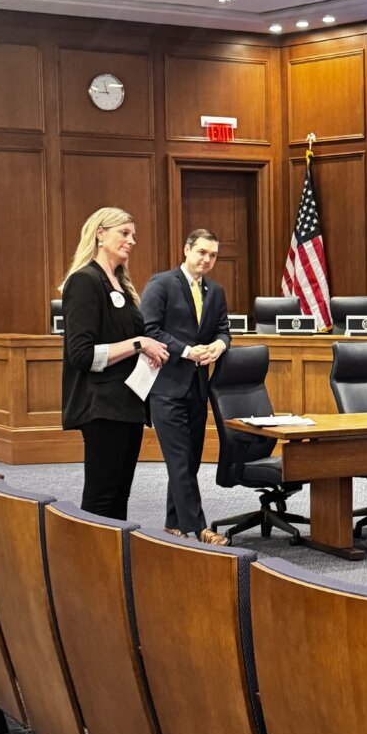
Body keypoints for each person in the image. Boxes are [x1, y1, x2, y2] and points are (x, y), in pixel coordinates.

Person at [61, 208, 168, 520]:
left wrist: (150, 348)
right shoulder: (84, 281)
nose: (131, 240)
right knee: (100, 499)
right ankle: (87, 567)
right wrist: (139, 344)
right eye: (124, 232)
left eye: (133, 234)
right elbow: (80, 354)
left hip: (129, 404)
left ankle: (115, 566)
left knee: (120, 496)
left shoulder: (121, 283)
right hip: (102, 406)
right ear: (100, 233)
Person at [141, 229, 231, 544]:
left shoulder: (215, 291)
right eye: (202, 252)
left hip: (197, 387)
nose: (207, 259)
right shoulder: (161, 284)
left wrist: (219, 346)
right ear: (187, 249)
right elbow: (148, 329)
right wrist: (187, 351)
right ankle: (199, 528)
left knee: (189, 458)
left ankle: (172, 522)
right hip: (165, 388)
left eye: (213, 255)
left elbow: (223, 329)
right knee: (179, 459)